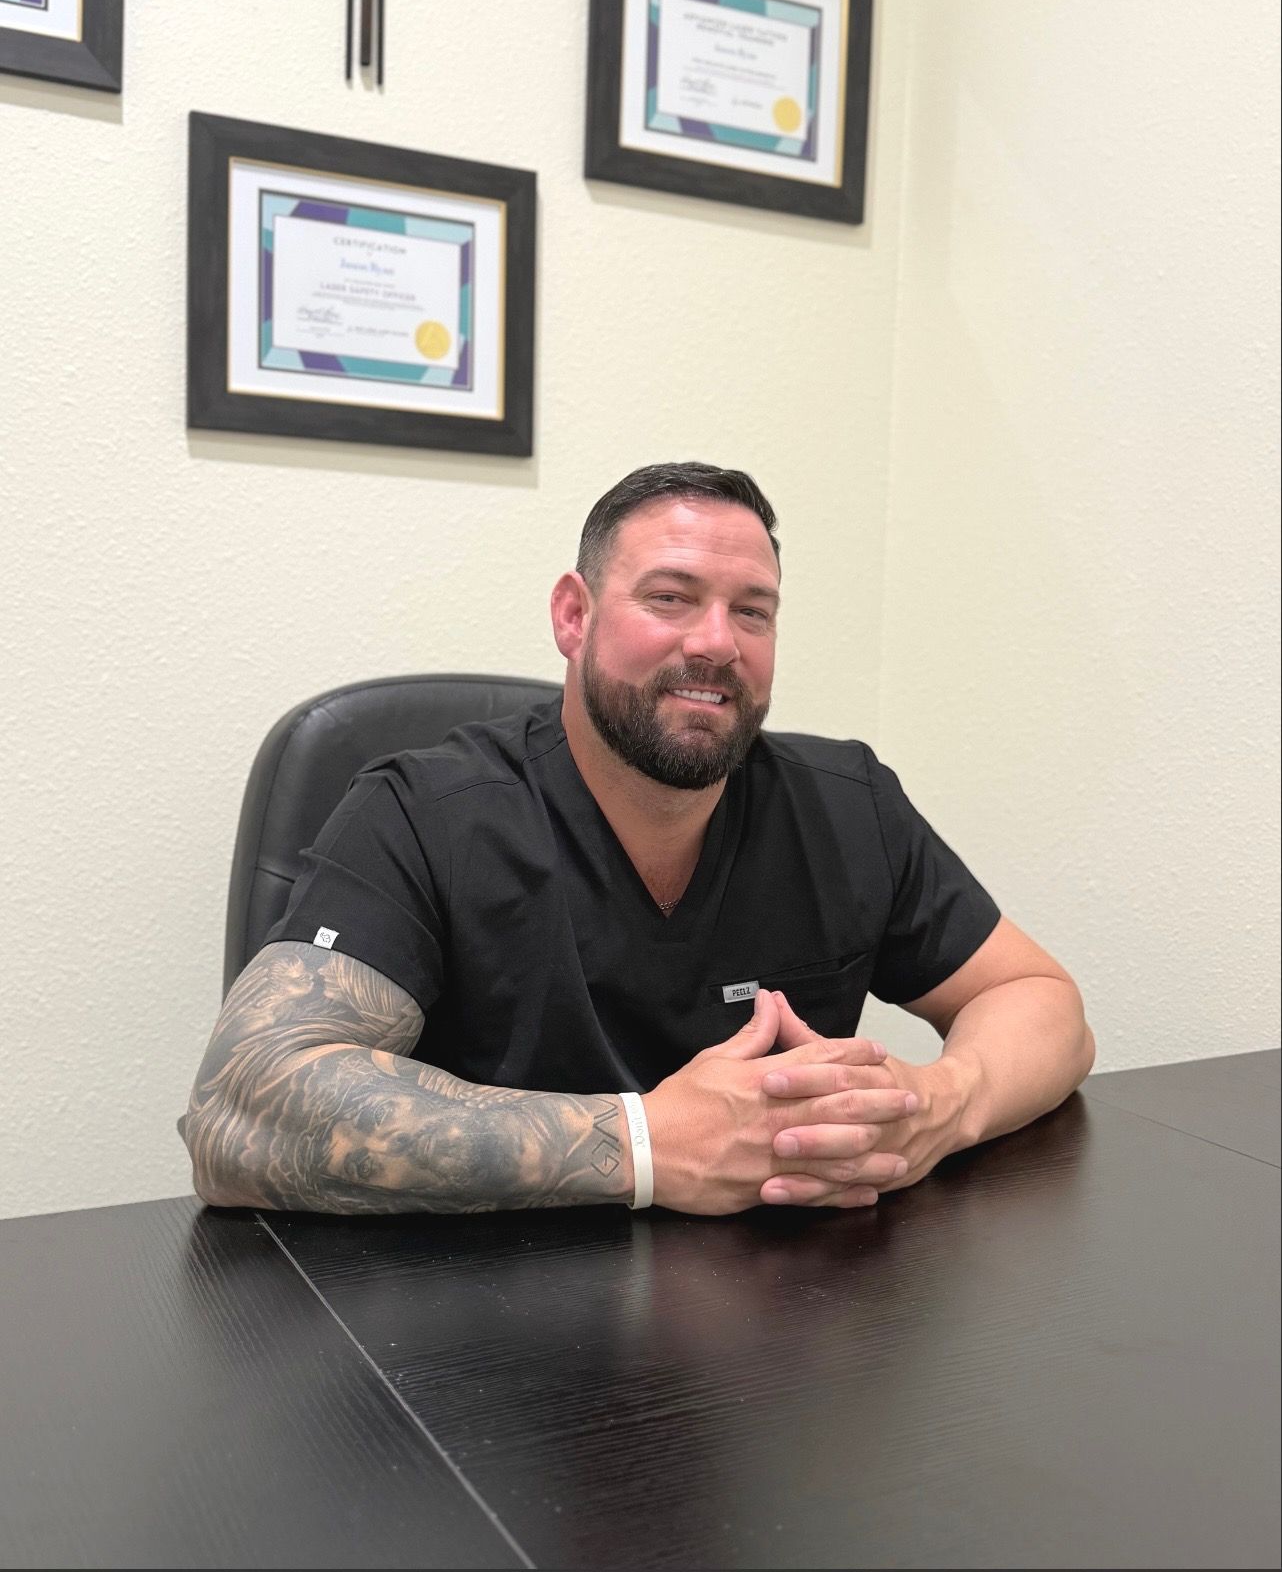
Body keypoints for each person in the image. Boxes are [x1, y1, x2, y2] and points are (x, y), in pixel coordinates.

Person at [183, 462, 1093, 1217]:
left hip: (779, 1352)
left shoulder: (846, 806)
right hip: (475, 1348)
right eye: (670, 597)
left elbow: (1039, 999)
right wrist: (650, 1144)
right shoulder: (423, 813)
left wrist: (941, 1103)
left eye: (753, 611)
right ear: (574, 617)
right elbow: (242, 1105)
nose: (717, 643)